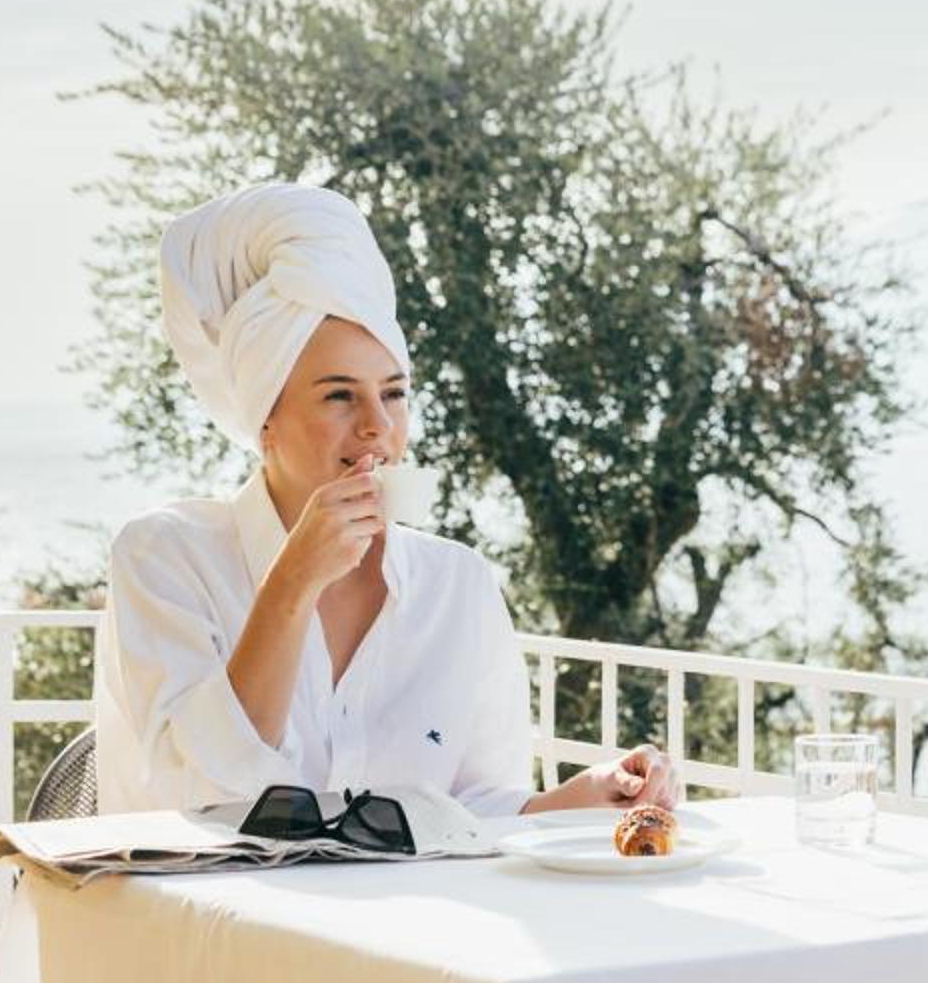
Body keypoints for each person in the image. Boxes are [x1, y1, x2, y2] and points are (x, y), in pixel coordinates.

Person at [91, 181, 677, 821]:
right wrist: (292, 584)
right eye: (339, 396)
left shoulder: (457, 584)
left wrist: (579, 798)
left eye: (394, 394)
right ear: (266, 420)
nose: (378, 426)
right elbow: (202, 804)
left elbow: (471, 814)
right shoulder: (165, 558)